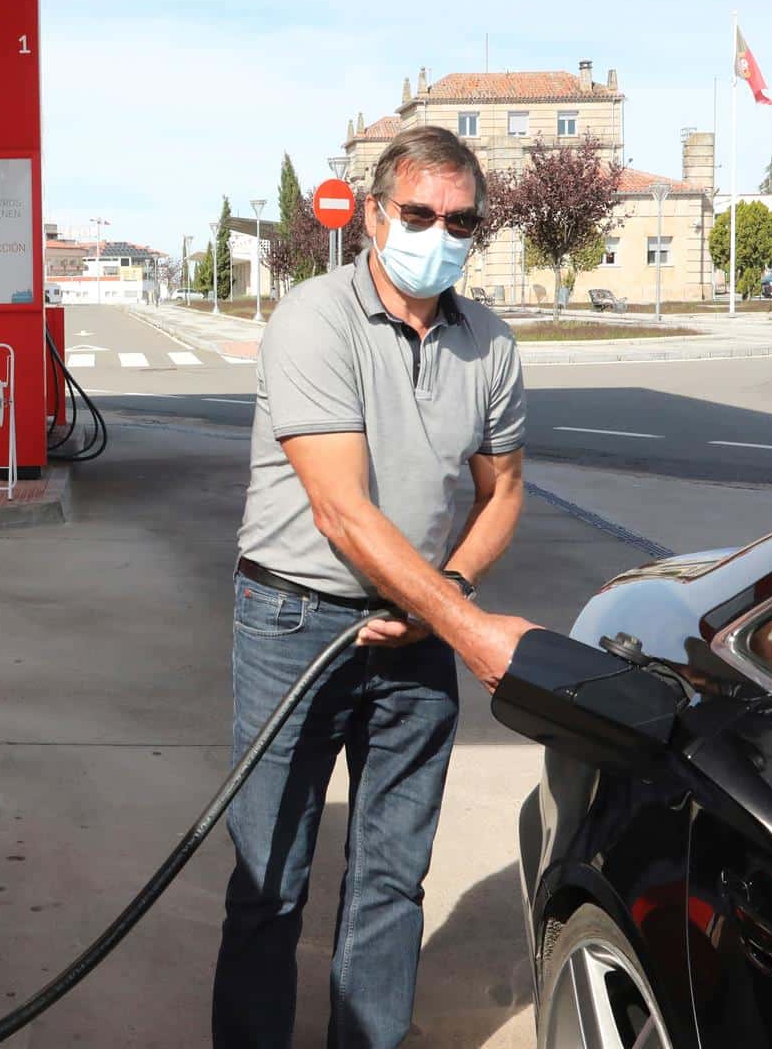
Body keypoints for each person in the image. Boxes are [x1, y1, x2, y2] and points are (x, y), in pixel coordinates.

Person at [213, 125, 538, 1048]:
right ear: (373, 214)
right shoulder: (314, 319)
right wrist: (469, 627)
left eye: (462, 219)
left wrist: (452, 589)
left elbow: (502, 490)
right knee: (270, 880)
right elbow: (342, 514)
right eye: (421, 213)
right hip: (295, 626)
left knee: (393, 881)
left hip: (419, 636)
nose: (441, 232)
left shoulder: (490, 344)